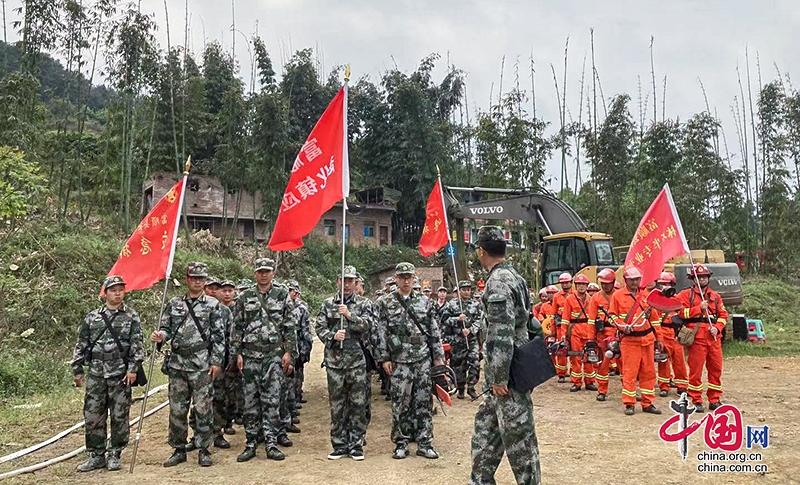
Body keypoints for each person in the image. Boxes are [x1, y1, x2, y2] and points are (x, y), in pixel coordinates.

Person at [470, 226, 540, 485]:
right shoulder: (513, 276)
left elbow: (501, 333)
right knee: (484, 437)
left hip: (507, 379)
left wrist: (499, 378)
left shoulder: (499, 282)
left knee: (520, 444)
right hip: (499, 379)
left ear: (481, 251)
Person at [151, 262, 226, 468]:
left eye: (201, 278)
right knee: (177, 409)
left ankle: (203, 448)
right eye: (194, 278)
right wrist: (160, 336)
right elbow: (166, 327)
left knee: (203, 408)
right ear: (187, 280)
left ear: (205, 280)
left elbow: (219, 337)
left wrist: (217, 361)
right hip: (177, 365)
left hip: (202, 364)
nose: (197, 281)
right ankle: (178, 449)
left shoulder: (212, 305)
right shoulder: (175, 303)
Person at [72, 276, 144, 472]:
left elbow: (138, 346)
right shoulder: (92, 318)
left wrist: (132, 370)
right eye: (113, 290)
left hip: (120, 374)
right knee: (93, 415)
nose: (118, 293)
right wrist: (77, 370)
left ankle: (115, 453)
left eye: (121, 289)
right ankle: (96, 455)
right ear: (105, 292)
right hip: (96, 374)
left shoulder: (131, 316)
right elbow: (81, 345)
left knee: (120, 415)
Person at [375, 262, 445, 460]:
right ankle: (401, 442)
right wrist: (384, 358)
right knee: (400, 402)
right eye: (402, 277)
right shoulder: (385, 303)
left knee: (423, 401)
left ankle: (425, 442)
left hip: (422, 358)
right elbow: (381, 332)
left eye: (409, 276)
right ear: (396, 278)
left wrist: (438, 358)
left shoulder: (425, 302)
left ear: (414, 278)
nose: (406, 280)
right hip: (399, 361)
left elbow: (434, 331)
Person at [231, 258, 297, 462]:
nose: (263, 274)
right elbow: (237, 327)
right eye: (260, 271)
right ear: (255, 273)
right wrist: (238, 353)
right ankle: (251, 443)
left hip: (272, 356)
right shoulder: (245, 297)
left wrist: (289, 353)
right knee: (250, 402)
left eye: (267, 271)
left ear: (273, 273)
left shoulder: (282, 296)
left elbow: (289, 326)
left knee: (272, 400)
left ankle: (271, 442)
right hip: (250, 356)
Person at [315, 265, 373, 460]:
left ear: (356, 283)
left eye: (351, 281)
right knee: (337, 404)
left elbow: (367, 325)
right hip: (335, 362)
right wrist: (332, 336)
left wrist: (349, 315)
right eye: (344, 280)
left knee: (358, 403)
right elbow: (319, 327)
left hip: (356, 361)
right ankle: (339, 444)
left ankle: (356, 444)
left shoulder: (364, 303)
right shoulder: (327, 304)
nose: (347, 284)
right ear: (337, 282)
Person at [608, 267, 662, 416]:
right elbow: (611, 316)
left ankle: (648, 403)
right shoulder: (618, 296)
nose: (635, 282)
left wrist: (659, 338)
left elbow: (655, 320)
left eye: (637, 279)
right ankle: (629, 403)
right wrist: (621, 325)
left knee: (649, 373)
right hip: (630, 341)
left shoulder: (646, 296)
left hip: (647, 340)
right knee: (629, 373)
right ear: (626, 280)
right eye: (632, 280)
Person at [677, 263, 728, 413]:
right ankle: (696, 400)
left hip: (713, 338)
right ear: (693, 280)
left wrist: (717, 327)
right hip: (697, 338)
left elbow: (723, 315)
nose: (702, 279)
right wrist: (698, 309)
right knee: (695, 370)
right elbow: (681, 313)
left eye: (704, 277)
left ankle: (714, 399)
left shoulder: (715, 297)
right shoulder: (685, 295)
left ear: (708, 278)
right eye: (698, 277)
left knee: (716, 369)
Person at [441, 280, 483, 399]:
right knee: (459, 365)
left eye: (468, 289)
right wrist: (457, 319)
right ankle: (460, 387)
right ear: (459, 291)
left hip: (471, 339)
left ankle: (471, 387)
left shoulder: (475, 304)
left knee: (475, 362)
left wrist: (471, 330)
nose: (466, 292)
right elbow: (444, 319)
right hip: (457, 340)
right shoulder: (452, 304)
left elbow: (479, 320)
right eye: (464, 289)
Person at [586, 268, 618, 402]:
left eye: (607, 283)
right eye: (602, 283)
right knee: (603, 365)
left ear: (613, 282)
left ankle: (631, 392)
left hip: (619, 334)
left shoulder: (619, 295)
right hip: (603, 335)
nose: (605, 285)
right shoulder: (596, 298)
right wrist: (590, 339)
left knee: (625, 365)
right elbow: (591, 320)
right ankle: (602, 390)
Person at [562, 274, 597, 392]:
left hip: (588, 331)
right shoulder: (569, 299)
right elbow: (565, 318)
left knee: (589, 356)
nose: (581, 287)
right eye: (579, 284)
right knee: (576, 357)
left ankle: (589, 382)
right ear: (575, 286)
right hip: (575, 331)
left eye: (583, 284)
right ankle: (576, 382)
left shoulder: (591, 299)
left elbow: (594, 317)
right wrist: (563, 334)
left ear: (587, 286)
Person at [655, 272, 688, 397]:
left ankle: (682, 386)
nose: (663, 286)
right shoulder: (656, 301)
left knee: (679, 361)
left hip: (676, 334)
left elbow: (684, 314)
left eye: (666, 284)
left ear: (672, 285)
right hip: (663, 334)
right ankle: (664, 386)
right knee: (663, 361)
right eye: (661, 284)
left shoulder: (678, 299)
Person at [219, 280, 244, 436]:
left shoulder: (239, 308)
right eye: (224, 291)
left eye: (230, 290)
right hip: (217, 356)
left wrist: (235, 356)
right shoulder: (215, 309)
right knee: (219, 392)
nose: (227, 293)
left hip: (233, 356)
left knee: (232, 390)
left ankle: (231, 419)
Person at [549, 272, 573, 382]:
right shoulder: (557, 297)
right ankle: (562, 374)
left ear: (571, 282)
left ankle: (575, 373)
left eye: (567, 283)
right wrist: (553, 330)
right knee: (561, 350)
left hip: (574, 325)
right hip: (560, 326)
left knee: (575, 350)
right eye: (562, 283)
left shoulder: (576, 294)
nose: (565, 285)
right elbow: (553, 315)